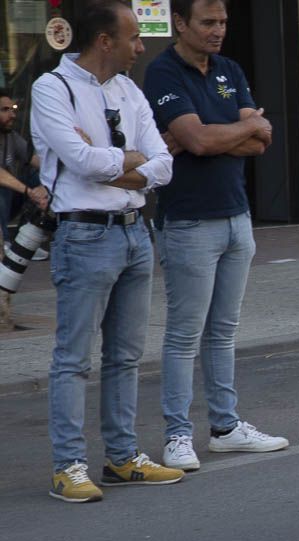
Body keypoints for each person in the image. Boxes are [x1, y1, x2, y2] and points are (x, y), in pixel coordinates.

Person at [31, 0, 180, 502]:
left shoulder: (129, 90)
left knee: (125, 356)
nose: (140, 46)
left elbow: (163, 163)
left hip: (136, 231)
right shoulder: (52, 88)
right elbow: (75, 159)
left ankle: (121, 457)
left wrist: (116, 163)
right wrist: (127, 159)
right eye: (134, 37)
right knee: (73, 359)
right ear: (104, 41)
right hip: (85, 234)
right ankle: (68, 466)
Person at [143, 0, 287, 472]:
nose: (218, 30)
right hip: (188, 221)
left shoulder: (229, 68)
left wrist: (217, 134)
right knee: (185, 335)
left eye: (223, 22)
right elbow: (202, 140)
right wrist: (239, 127)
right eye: (208, 22)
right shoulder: (164, 73)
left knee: (223, 332)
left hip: (236, 217)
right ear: (180, 24)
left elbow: (260, 140)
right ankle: (177, 435)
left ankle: (225, 428)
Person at [1, 91, 50, 243]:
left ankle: (26, 240)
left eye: (13, 110)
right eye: (5, 110)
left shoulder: (11, 137)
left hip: (9, 200)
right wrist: (30, 192)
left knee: (37, 177)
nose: (13, 115)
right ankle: (5, 242)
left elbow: (36, 161)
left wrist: (54, 178)